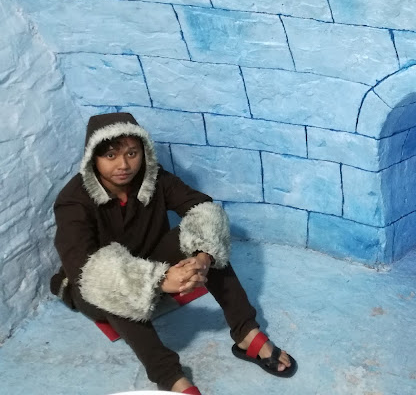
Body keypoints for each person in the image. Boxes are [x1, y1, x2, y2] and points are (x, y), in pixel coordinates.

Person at [49, 112, 297, 394]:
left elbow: (200, 207)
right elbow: (86, 269)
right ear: (92, 157)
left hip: (151, 262)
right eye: (110, 156)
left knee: (203, 237)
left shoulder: (152, 177)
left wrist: (203, 257)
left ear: (143, 151)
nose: (124, 165)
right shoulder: (72, 201)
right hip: (93, 287)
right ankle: (171, 378)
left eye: (132, 153)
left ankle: (246, 332)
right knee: (117, 289)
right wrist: (158, 280)